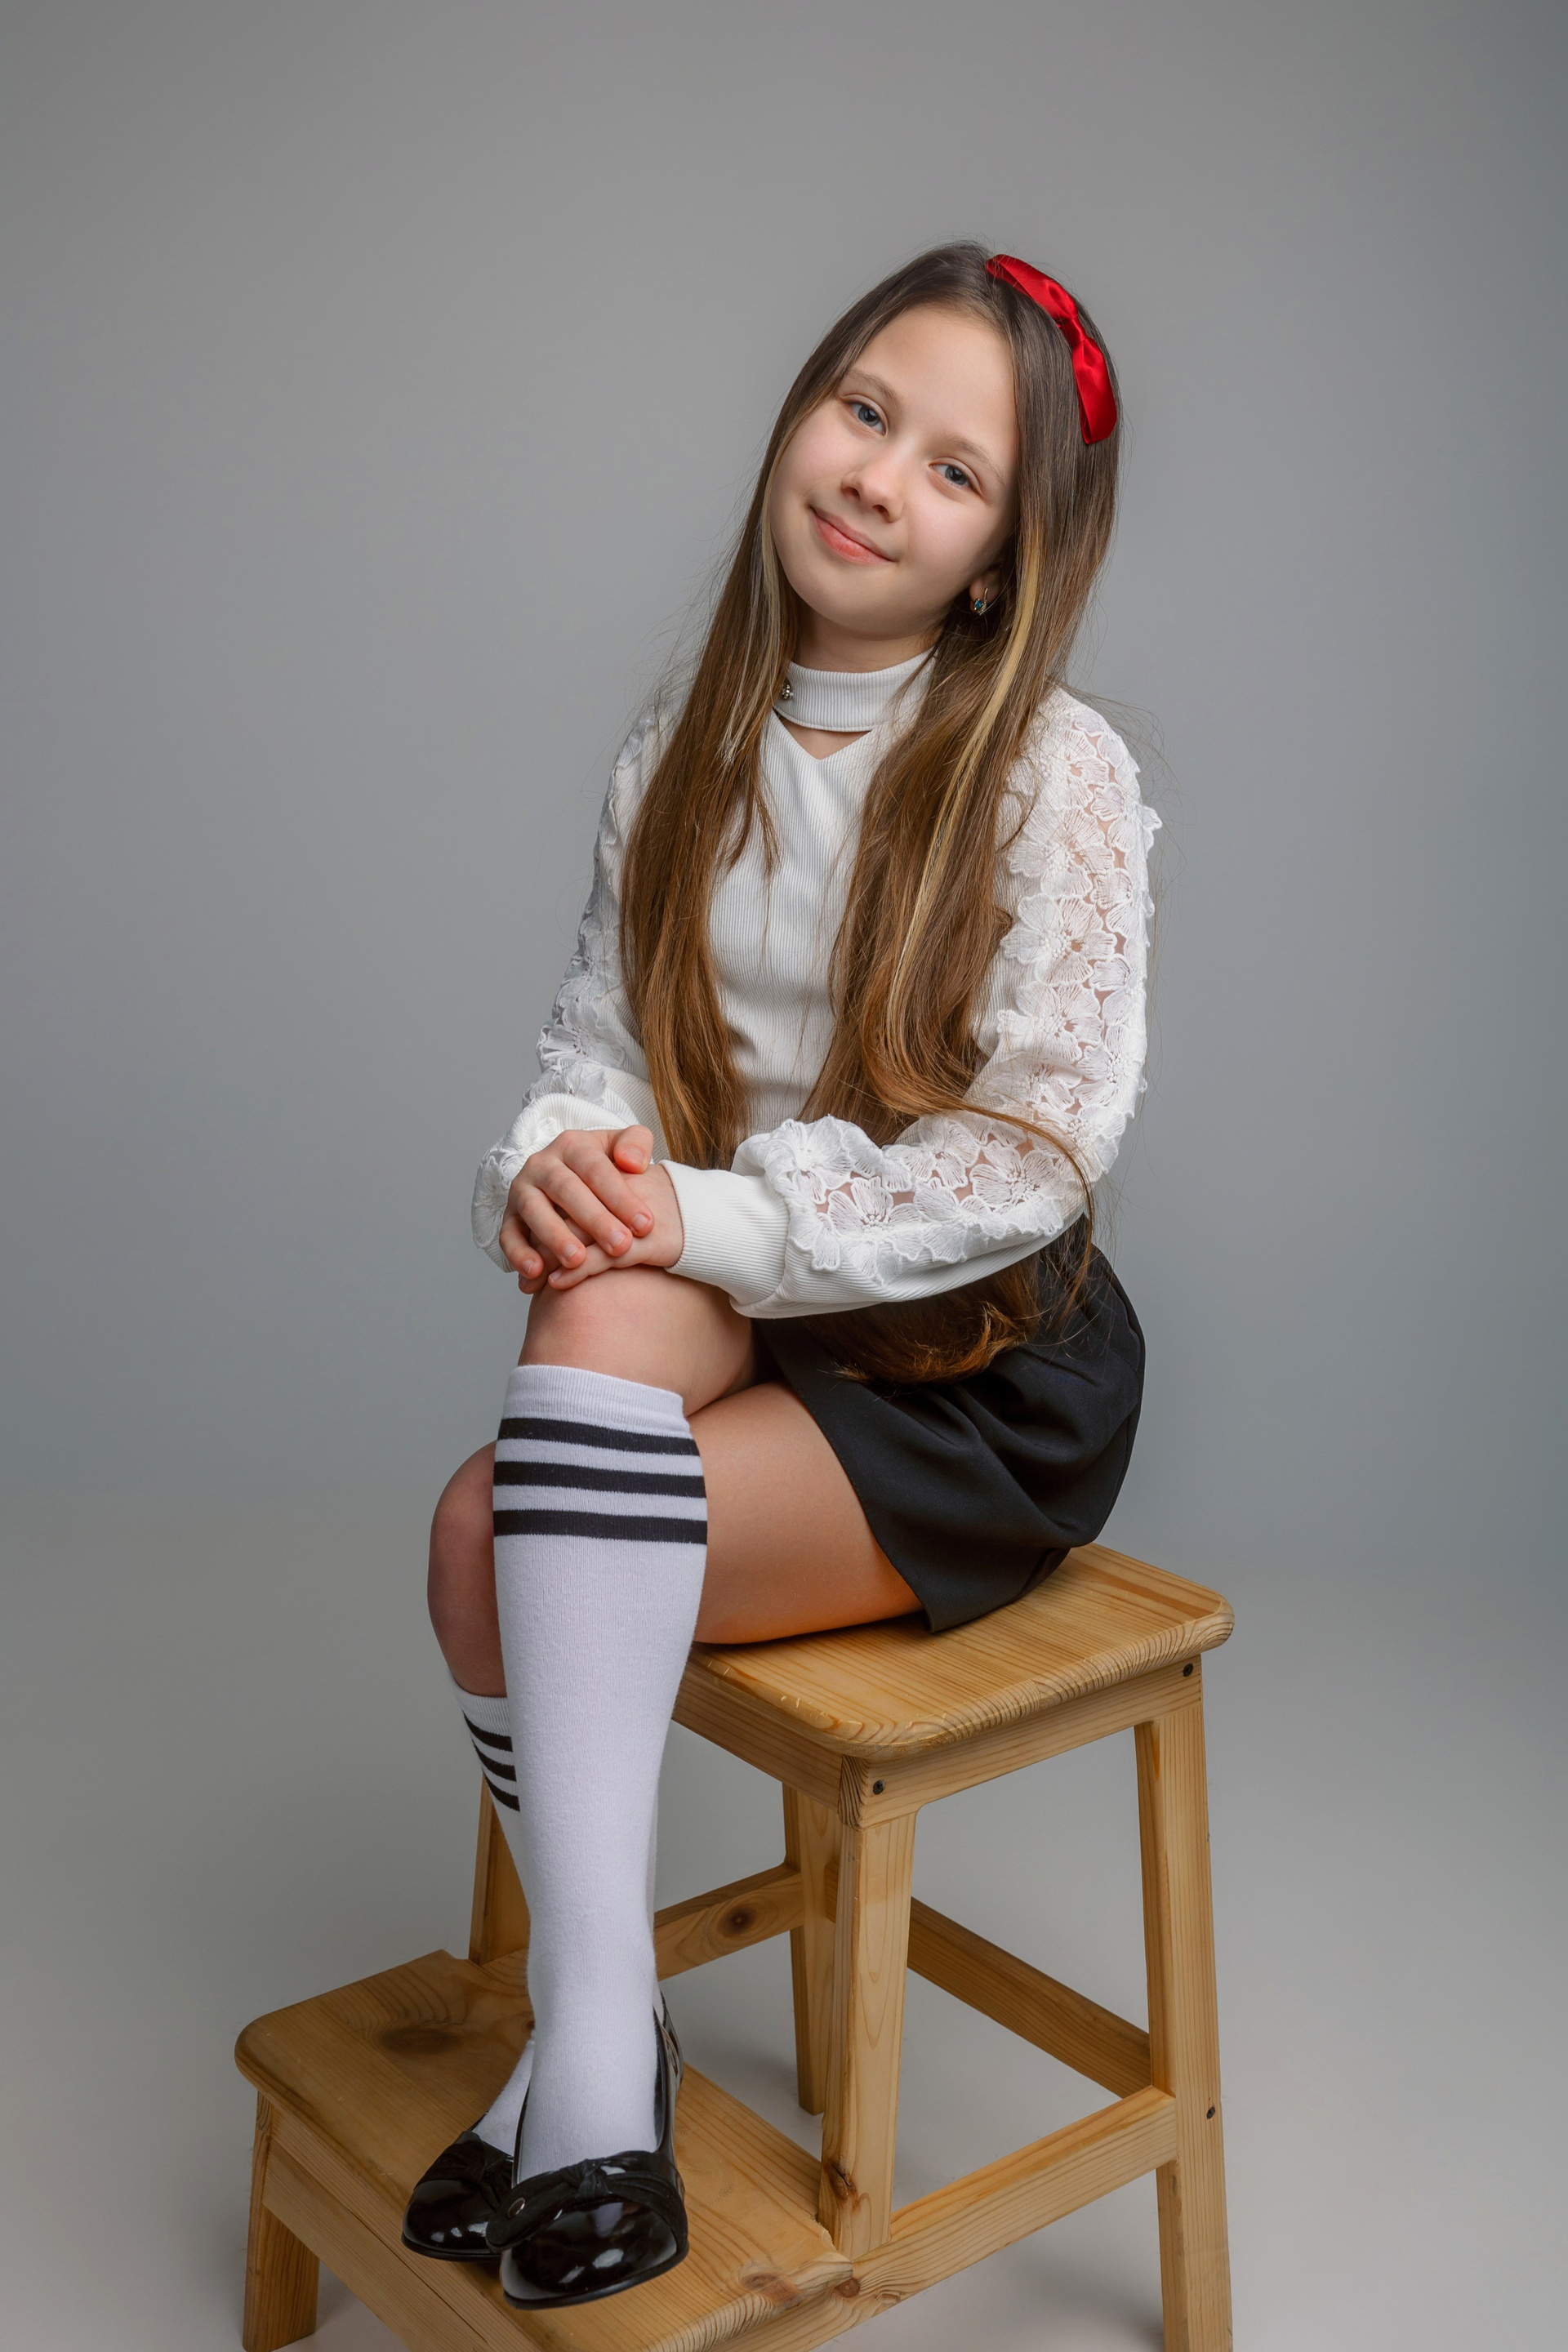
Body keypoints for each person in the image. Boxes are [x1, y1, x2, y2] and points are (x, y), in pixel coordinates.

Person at [403, 243, 1156, 2310]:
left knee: (506, 1516)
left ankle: (582, 2073)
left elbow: (1032, 1152)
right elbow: (601, 1052)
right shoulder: (683, 749)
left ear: (1000, 561)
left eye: (956, 472)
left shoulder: (1051, 771)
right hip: (760, 1303)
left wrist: (701, 1220)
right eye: (862, 410)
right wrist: (557, 1171)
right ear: (800, 411)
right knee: (491, 1496)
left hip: (970, 1368)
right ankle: (602, 2025)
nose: (882, 478)